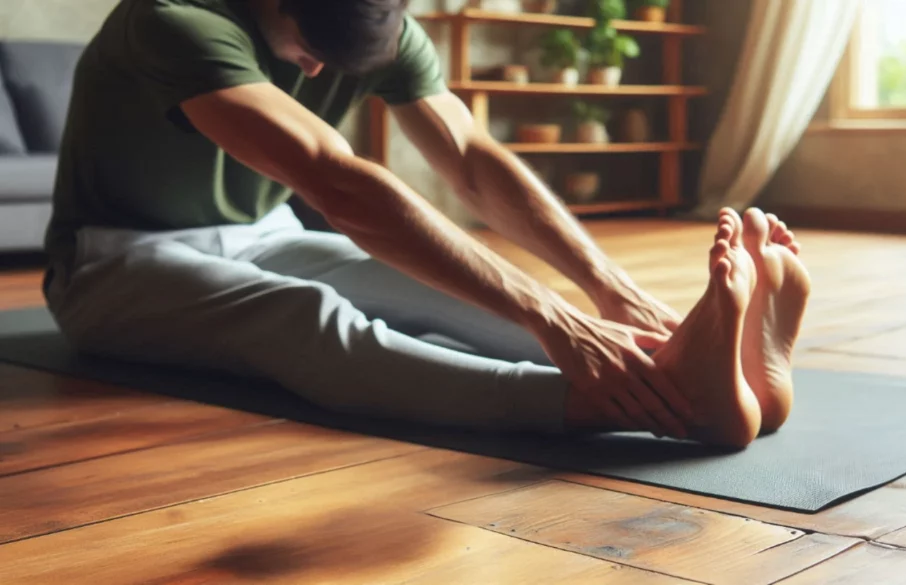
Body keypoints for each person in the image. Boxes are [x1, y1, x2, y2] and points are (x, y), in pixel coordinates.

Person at [42, 0, 811, 448]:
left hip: (264, 231)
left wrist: (602, 289)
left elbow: (472, 155)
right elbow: (339, 183)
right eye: (307, 49)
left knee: (426, 290)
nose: (313, 72)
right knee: (303, 318)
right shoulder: (173, 22)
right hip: (113, 263)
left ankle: (693, 375)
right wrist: (547, 317)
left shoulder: (373, 21)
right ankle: (626, 404)